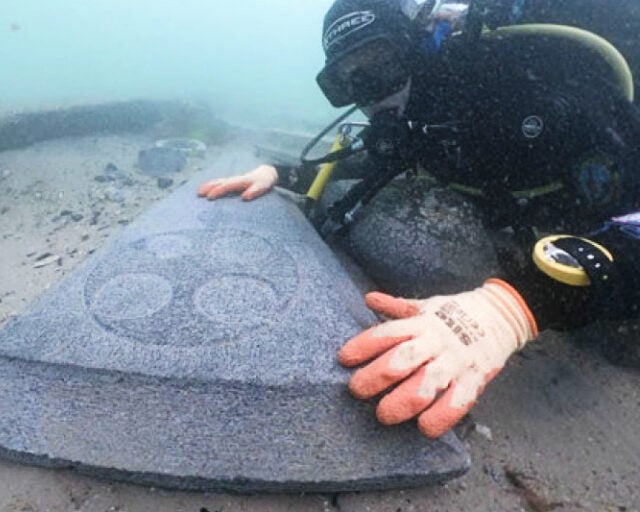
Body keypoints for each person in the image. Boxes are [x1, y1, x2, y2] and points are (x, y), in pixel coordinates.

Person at [197, 0, 640, 439]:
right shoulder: (422, 118)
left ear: (415, 49)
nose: (370, 93)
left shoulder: (533, 89)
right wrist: (282, 172)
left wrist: (519, 307)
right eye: (349, 80)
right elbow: (377, 160)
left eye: (380, 65)